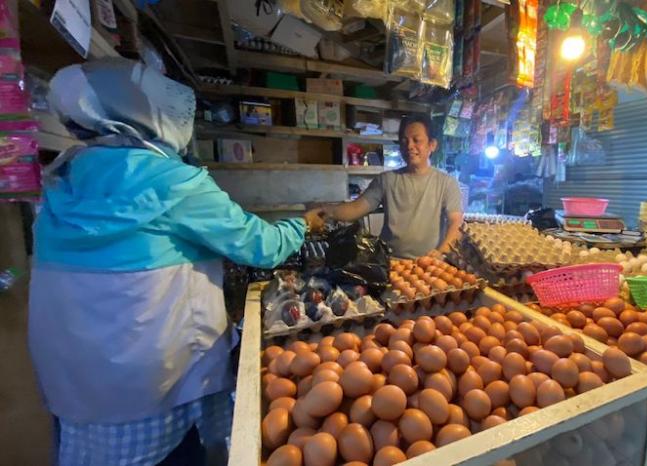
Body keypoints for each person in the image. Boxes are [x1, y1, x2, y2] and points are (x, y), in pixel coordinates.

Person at [28, 58, 324, 466]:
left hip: (77, 381)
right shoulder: (172, 181)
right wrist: (302, 223)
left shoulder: (65, 177)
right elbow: (261, 246)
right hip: (150, 381)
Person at [324, 115, 464, 259]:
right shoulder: (386, 180)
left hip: (429, 266)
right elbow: (355, 209)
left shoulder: (447, 183)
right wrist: (325, 211)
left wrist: (441, 253)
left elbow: (456, 222)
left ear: (432, 145)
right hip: (391, 262)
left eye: (416, 140)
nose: (409, 146)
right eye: (404, 141)